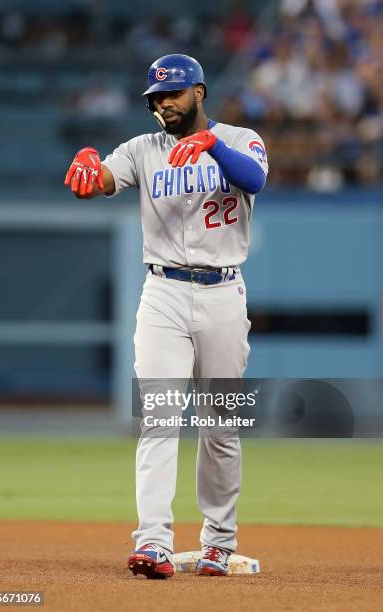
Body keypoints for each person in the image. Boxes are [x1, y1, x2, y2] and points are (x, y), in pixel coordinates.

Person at [64, 54, 268, 578]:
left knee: (221, 426)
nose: (163, 105)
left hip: (223, 292)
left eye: (172, 94)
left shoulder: (241, 138)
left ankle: (218, 543)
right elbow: (103, 179)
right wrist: (90, 168)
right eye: (155, 98)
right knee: (157, 418)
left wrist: (214, 147)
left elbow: (254, 180)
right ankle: (152, 542)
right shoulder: (143, 148)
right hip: (163, 294)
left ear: (199, 92)